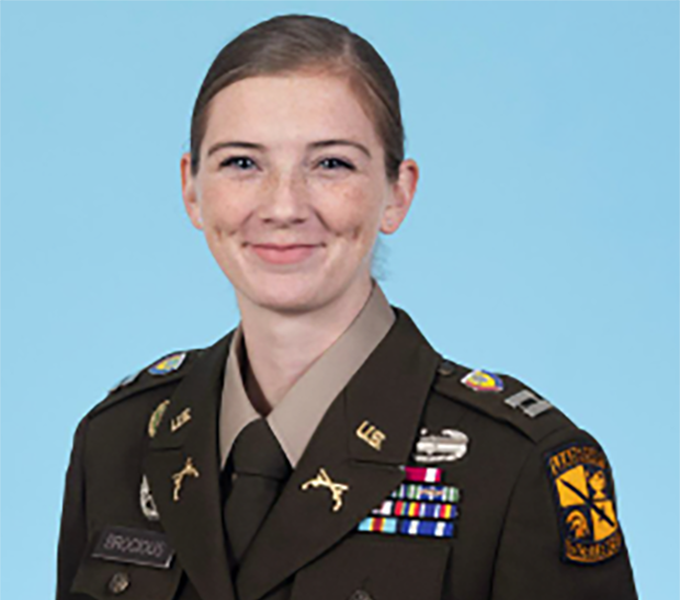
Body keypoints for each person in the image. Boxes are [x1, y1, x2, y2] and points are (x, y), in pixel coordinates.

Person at [56, 14, 639, 600]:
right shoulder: (117, 444)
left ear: (397, 193)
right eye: (242, 163)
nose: (283, 206)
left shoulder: (518, 469)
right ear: (192, 190)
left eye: (330, 164)